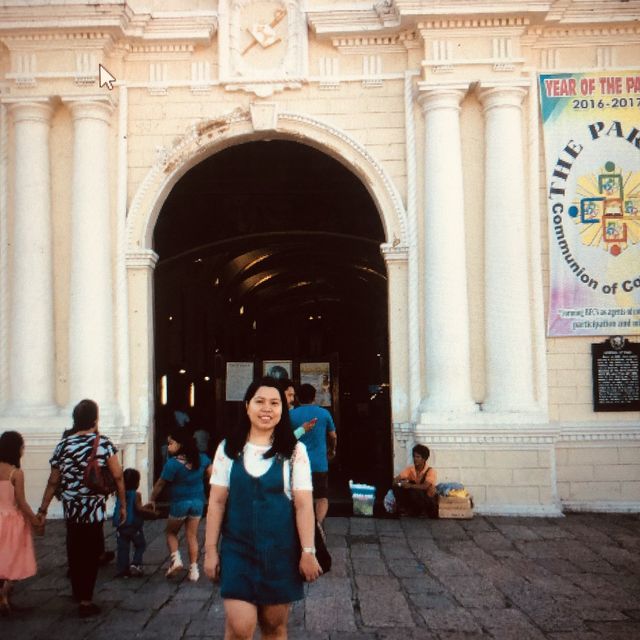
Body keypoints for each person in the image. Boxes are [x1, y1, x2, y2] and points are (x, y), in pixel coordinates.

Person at [204, 377, 321, 640]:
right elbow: (217, 501)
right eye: (259, 402)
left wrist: (308, 552)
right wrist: (210, 550)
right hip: (238, 552)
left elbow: (303, 506)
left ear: (284, 409)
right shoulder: (228, 449)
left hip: (280, 554)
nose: (266, 409)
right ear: (247, 406)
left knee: (274, 626)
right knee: (240, 626)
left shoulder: (295, 451)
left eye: (274, 403)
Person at [38, 399, 126, 618]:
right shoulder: (103, 443)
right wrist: (123, 504)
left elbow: (53, 480)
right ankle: (86, 600)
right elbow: (117, 476)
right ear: (95, 420)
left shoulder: (63, 445)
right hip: (93, 507)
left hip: (71, 506)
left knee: (74, 549)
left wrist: (43, 508)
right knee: (90, 552)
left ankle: (78, 592)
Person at [148, 429, 212, 582]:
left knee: (171, 533)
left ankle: (176, 560)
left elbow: (160, 484)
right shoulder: (202, 459)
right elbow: (212, 476)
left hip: (179, 503)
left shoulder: (172, 464)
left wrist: (152, 499)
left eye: (170, 443)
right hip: (197, 502)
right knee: (192, 536)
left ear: (180, 444)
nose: (168, 446)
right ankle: (194, 570)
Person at [0, 431, 42, 615]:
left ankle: (4, 599)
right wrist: (35, 520)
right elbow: (22, 502)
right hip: (11, 521)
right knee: (14, 558)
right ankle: (4, 596)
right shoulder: (16, 473)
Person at [289, 383, 337, 524]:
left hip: (297, 464)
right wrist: (332, 450)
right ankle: (318, 524)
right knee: (321, 497)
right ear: (314, 397)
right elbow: (333, 436)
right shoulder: (324, 413)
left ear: (297, 398)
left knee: (298, 495)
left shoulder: (291, 415)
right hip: (318, 463)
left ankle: (302, 523)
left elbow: (287, 438)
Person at [113, 468, 156, 578]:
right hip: (133, 526)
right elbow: (138, 509)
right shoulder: (136, 494)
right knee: (140, 545)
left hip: (121, 525)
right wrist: (152, 513)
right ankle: (135, 564)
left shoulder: (119, 493)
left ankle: (122, 570)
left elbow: (130, 507)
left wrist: (146, 507)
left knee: (123, 548)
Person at [392, 444, 438, 518]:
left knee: (414, 489)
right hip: (414, 498)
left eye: (418, 457)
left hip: (426, 500)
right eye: (414, 456)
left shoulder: (431, 471)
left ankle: (422, 511)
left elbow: (425, 486)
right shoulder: (410, 469)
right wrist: (400, 484)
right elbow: (396, 479)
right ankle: (406, 509)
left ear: (424, 459)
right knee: (398, 488)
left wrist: (410, 485)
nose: (415, 459)